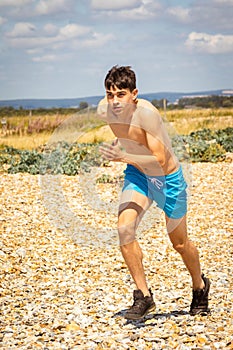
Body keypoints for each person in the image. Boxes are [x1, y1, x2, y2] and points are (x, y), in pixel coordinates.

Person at [98, 65, 210, 320]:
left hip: (166, 178)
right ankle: (143, 296)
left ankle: (200, 286)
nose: (114, 101)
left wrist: (123, 155)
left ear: (134, 93)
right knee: (124, 228)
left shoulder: (148, 115)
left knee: (180, 243)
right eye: (110, 94)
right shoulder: (104, 110)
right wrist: (124, 149)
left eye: (121, 94)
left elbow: (159, 160)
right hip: (138, 175)